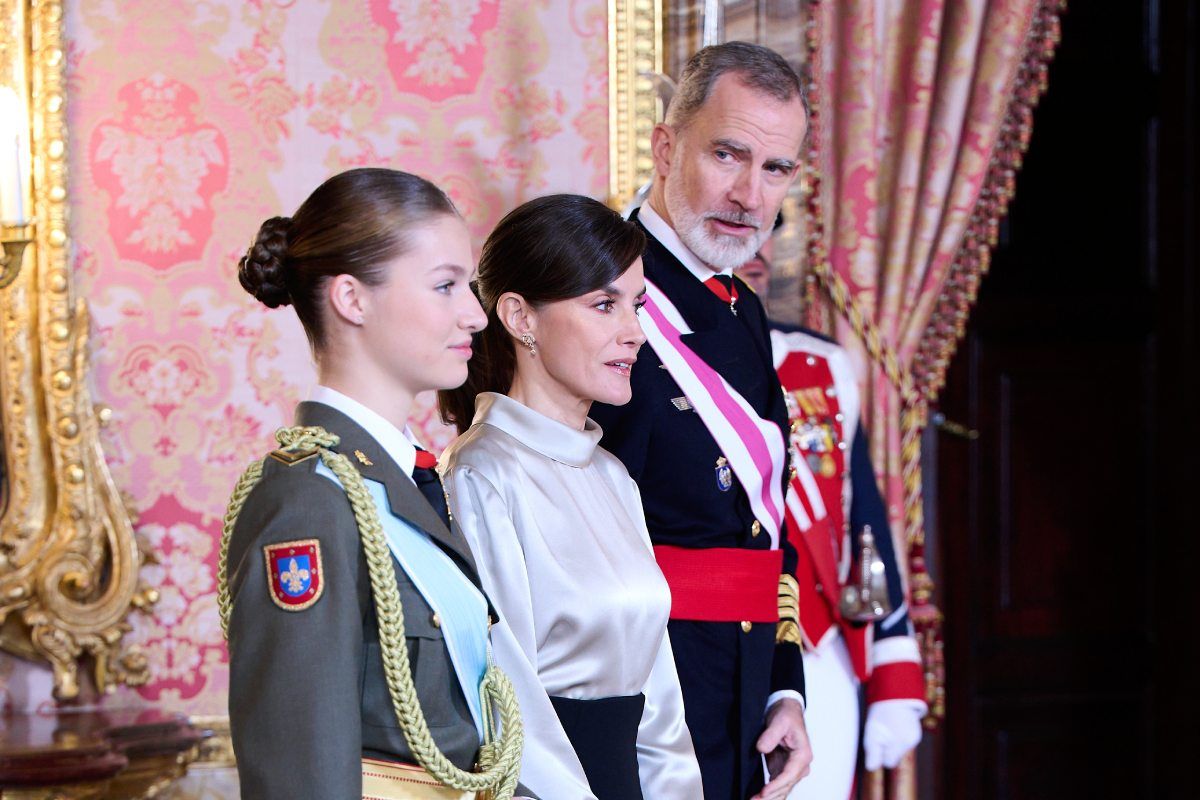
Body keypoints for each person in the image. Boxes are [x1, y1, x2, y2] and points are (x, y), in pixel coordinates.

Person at [218, 167, 528, 800]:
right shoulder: (308, 499)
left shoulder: (407, 481)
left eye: (467, 287)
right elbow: (300, 774)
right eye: (445, 286)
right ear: (352, 300)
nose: (474, 315)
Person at [588, 42, 813, 800]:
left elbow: (762, 531)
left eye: (776, 168)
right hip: (644, 711)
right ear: (664, 145)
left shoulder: (740, 308)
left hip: (741, 707)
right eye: (728, 153)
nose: (751, 194)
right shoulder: (591, 297)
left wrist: (785, 689)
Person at [437, 194, 705, 800]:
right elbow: (505, 702)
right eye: (604, 304)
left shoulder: (612, 477)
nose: (634, 332)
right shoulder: (481, 477)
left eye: (636, 304)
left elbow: (660, 699)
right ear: (519, 317)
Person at [735, 252, 928, 800]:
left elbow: (862, 516)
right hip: (712, 643)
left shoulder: (819, 363)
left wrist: (894, 668)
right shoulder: (645, 357)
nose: (754, 252)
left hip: (819, 642)